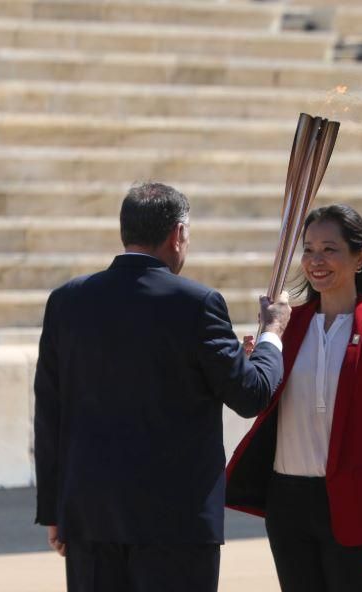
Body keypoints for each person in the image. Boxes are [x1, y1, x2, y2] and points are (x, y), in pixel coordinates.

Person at [33, 182, 292, 592]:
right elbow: (251, 394)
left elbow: (50, 413)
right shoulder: (198, 303)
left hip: (90, 517)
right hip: (178, 524)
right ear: (178, 234)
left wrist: (54, 509)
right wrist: (272, 335)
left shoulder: (67, 301)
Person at [226, 204, 362, 592]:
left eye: (329, 249)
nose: (316, 261)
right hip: (288, 502)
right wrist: (252, 358)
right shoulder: (287, 325)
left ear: (359, 256)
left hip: (354, 505)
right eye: (309, 249)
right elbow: (257, 397)